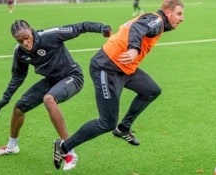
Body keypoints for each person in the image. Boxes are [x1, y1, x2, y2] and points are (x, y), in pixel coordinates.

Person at [53, 0, 184, 170]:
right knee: (107, 122)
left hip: (124, 68)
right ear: (167, 12)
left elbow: (132, 28)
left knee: (151, 90)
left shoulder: (155, 20)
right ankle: (63, 146)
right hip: (106, 67)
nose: (182, 19)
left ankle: (123, 128)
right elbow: (137, 29)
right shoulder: (157, 20)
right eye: (179, 14)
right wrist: (134, 49)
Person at [0, 19, 111, 171]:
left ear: (31, 31)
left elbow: (80, 27)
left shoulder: (50, 35)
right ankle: (12, 146)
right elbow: (18, 76)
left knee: (49, 99)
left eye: (27, 37)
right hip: (51, 80)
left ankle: (69, 151)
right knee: (19, 108)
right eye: (20, 41)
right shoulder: (19, 52)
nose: (25, 43)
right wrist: (5, 98)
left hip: (72, 77)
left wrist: (102, 28)